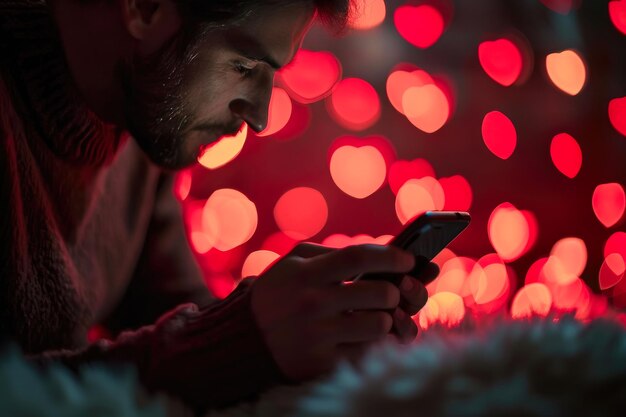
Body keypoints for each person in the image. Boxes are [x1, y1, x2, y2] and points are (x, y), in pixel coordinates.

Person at [0, 0, 437, 412]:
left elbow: (169, 314)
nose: (261, 117)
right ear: (145, 7)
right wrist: (242, 340)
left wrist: (313, 326)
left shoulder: (140, 112)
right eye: (244, 66)